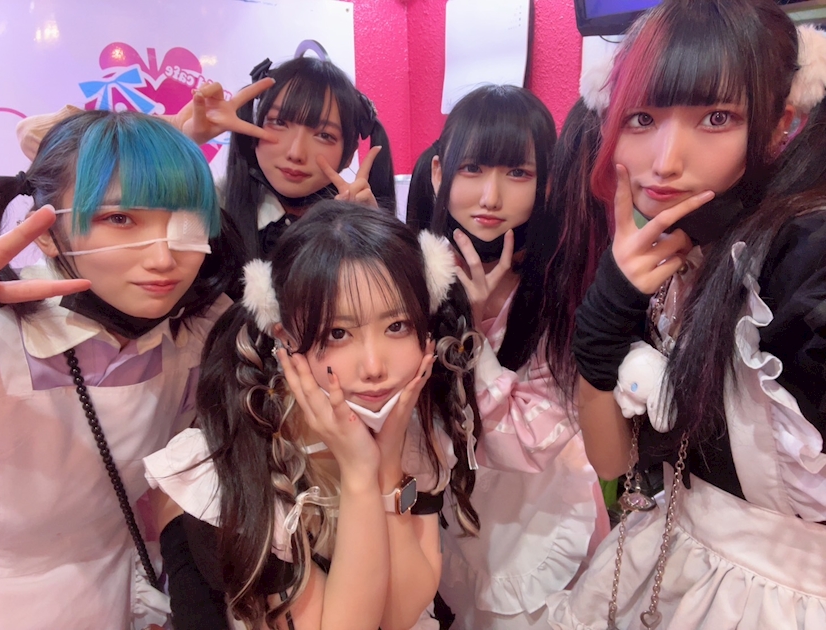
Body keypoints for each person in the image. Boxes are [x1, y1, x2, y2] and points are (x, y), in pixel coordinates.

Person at [547, 1, 826, 628]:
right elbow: (614, 464)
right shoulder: (673, 256)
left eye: (716, 118)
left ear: (781, 123)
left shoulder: (802, 259)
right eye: (642, 118)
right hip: (674, 566)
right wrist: (604, 318)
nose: (667, 159)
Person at [144, 201, 484, 630]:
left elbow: (400, 615)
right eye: (338, 333)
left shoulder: (410, 428)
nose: (374, 366)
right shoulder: (234, 460)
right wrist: (359, 470)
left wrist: (387, 467)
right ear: (283, 336)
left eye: (397, 326)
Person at [0, 109, 242, 629]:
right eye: (121, 219)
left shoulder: (201, 330)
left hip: (133, 592)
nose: (163, 258)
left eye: (184, 223)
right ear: (47, 233)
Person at [409, 85, 610, 629]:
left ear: (548, 185)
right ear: (437, 174)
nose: (490, 196)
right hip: (449, 515)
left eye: (518, 173)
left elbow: (525, 442)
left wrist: (471, 337)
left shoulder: (561, 291)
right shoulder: (411, 279)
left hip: (538, 515)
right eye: (472, 168)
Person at [220, 56, 396, 259]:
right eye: (279, 123)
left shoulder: (350, 222)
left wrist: (369, 237)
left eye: (324, 135)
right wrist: (189, 137)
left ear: (349, 154)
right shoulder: (212, 205)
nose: (296, 153)